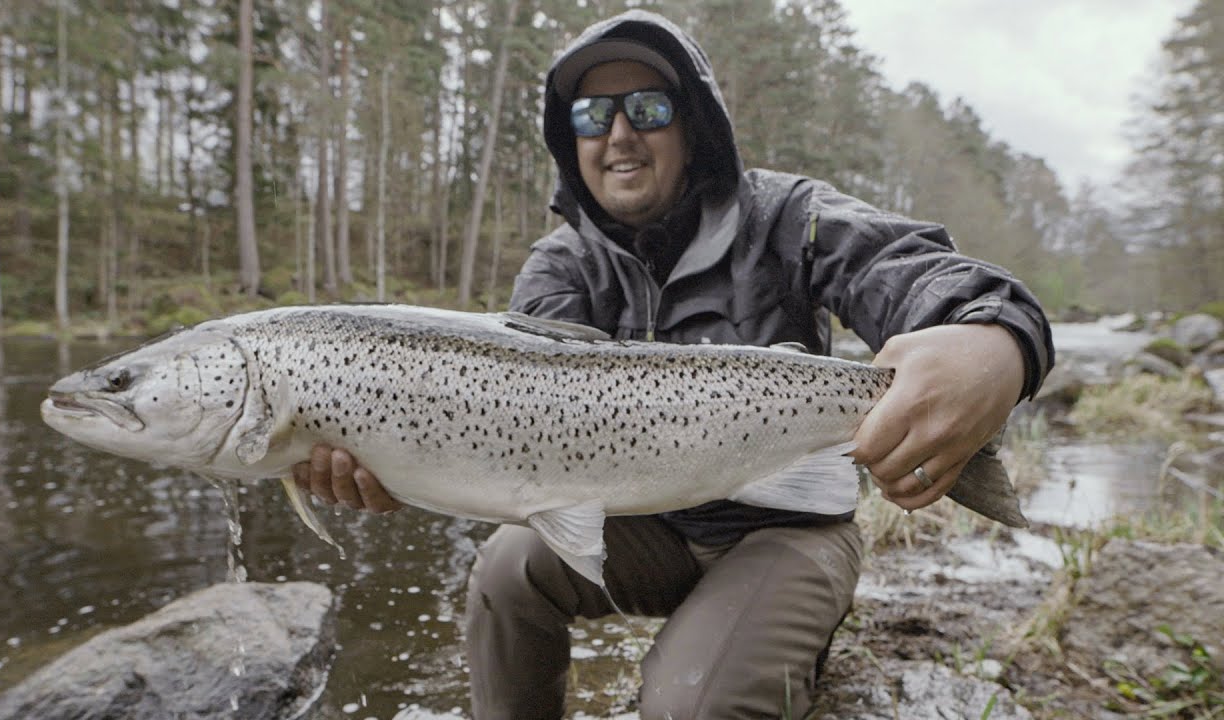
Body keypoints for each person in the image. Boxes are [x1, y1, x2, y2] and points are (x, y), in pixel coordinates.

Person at [294, 9, 1054, 719]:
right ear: (572, 144)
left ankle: (760, 641)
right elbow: (525, 427)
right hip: (641, 526)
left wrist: (994, 340)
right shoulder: (561, 267)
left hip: (787, 528)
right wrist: (401, 465)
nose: (619, 134)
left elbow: (913, 271)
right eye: (592, 118)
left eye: (648, 109)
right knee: (503, 572)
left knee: (687, 704)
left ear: (695, 126)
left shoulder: (789, 216)